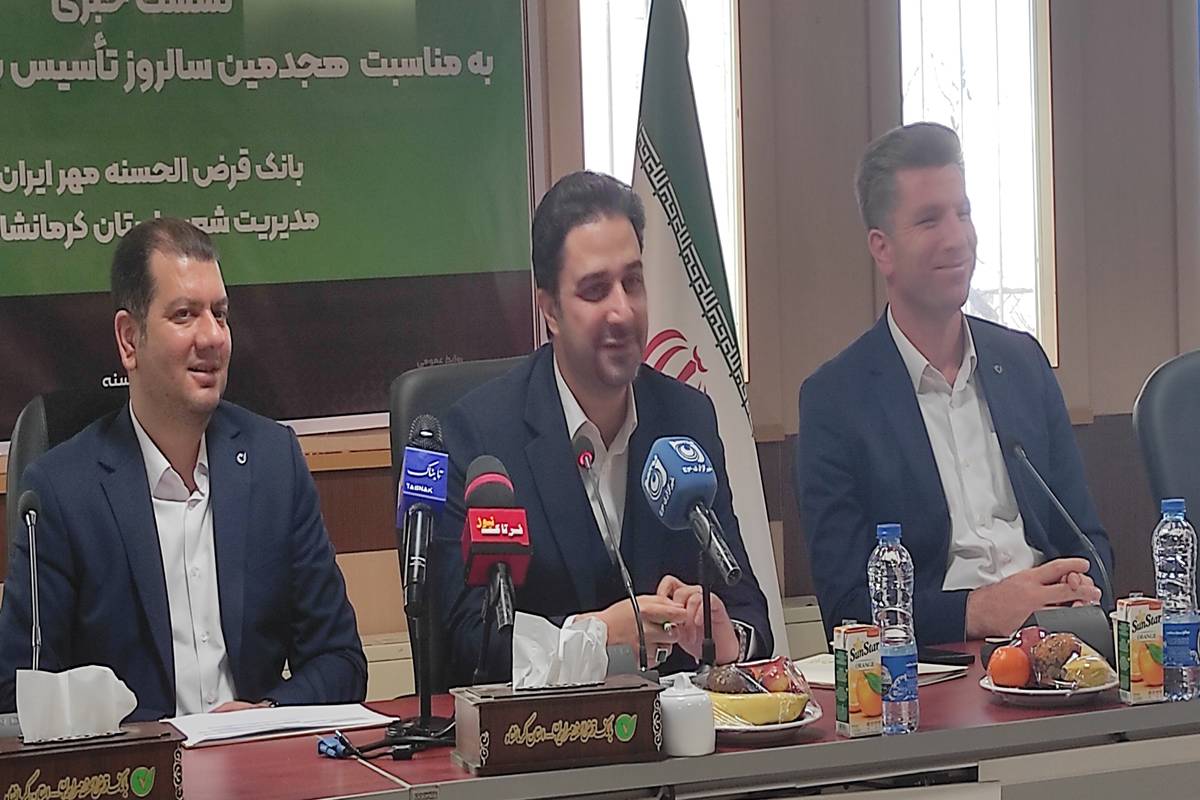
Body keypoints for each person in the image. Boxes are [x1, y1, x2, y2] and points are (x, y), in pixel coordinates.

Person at [0, 218, 366, 720]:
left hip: (256, 757)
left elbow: (340, 660)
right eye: (185, 315)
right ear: (130, 340)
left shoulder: (273, 462)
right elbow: (18, 692)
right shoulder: (61, 492)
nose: (212, 336)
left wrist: (264, 714)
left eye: (220, 314)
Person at [431, 171, 771, 686]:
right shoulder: (480, 437)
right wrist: (598, 635)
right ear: (550, 310)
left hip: (673, 730)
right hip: (544, 733)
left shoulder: (686, 419)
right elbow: (467, 641)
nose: (622, 311)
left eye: (632, 283)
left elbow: (750, 612)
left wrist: (724, 637)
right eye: (595, 290)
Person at [794, 123, 1111, 645]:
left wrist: (1078, 585)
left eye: (962, 213)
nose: (957, 238)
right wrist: (979, 610)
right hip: (936, 665)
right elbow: (847, 606)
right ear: (882, 249)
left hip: (1059, 644)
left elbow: (1089, 540)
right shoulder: (836, 400)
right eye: (929, 220)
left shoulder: (1023, 364)